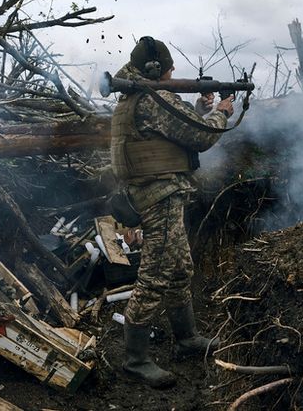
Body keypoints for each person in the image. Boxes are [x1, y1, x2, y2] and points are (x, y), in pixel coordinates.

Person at [110, 36, 234, 388]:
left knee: (180, 266)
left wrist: (199, 109)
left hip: (155, 193)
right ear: (154, 68)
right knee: (156, 275)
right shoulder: (153, 98)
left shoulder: (135, 97)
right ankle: (135, 359)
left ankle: (187, 338)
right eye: (168, 66)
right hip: (159, 196)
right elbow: (201, 136)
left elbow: (170, 131)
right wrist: (221, 113)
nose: (173, 71)